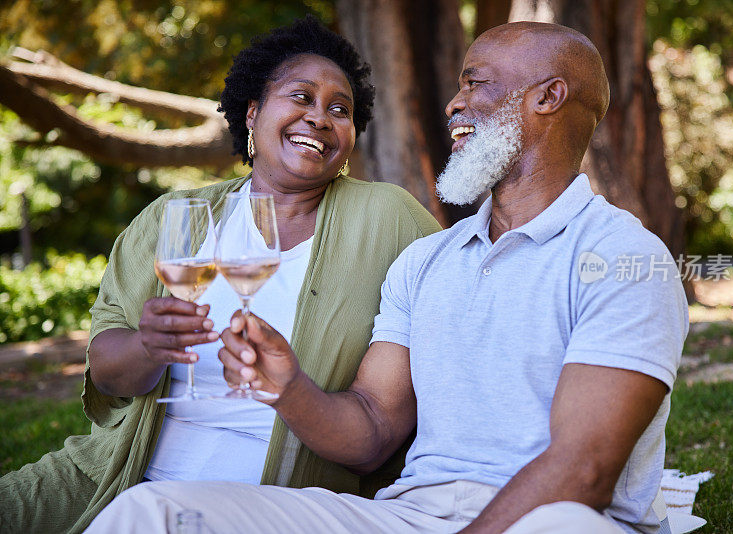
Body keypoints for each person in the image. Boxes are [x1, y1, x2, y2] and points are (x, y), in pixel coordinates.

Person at [85, 21, 688, 534]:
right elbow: (373, 427)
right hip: (411, 518)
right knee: (152, 510)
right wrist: (288, 386)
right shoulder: (428, 261)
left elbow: (584, 469)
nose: (454, 103)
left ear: (548, 96)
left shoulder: (622, 257)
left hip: (555, 519)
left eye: (474, 82)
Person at [0, 16, 441, 534]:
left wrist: (289, 388)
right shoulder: (174, 216)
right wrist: (149, 345)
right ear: (252, 114)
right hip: (113, 472)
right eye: (300, 97)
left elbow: (390, 419)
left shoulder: (389, 218)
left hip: (266, 497)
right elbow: (106, 372)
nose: (320, 117)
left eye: (339, 109)